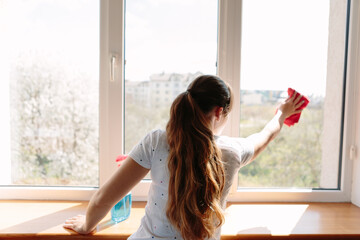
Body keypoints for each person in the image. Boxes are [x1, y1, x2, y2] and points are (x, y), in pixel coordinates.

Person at [63, 75, 304, 239]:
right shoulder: (232, 152)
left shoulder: (157, 141)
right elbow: (265, 135)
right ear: (219, 112)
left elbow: (103, 199)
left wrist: (86, 226)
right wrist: (281, 114)